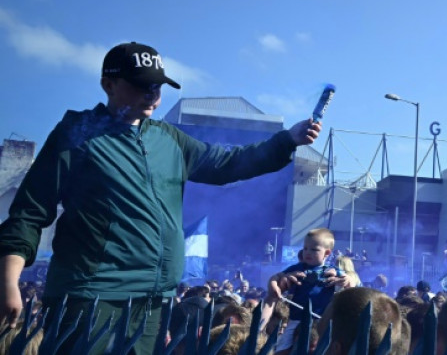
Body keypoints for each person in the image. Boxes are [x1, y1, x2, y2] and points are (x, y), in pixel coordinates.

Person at [0, 41, 323, 354]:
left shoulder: (168, 139)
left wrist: (287, 141)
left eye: (157, 87)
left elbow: (229, 163)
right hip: (92, 297)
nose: (152, 96)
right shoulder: (76, 134)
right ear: (108, 84)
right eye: (142, 86)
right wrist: (8, 281)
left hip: (154, 301)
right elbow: (29, 212)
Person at [268, 228, 353, 355]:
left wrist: (346, 280)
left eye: (314, 250)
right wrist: (273, 283)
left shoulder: (332, 270)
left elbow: (349, 282)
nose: (307, 252)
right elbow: (276, 277)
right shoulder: (297, 268)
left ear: (327, 253)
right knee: (282, 348)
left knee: (322, 348)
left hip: (321, 319)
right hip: (296, 317)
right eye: (305, 248)